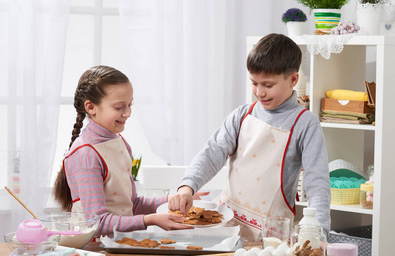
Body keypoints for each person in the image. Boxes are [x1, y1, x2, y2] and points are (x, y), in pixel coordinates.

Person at [172, 34, 331, 242]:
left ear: (293, 79)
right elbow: (212, 153)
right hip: (226, 227)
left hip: (272, 237)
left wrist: (319, 234)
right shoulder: (242, 115)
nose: (259, 92)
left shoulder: (305, 123)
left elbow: (317, 181)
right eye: (254, 83)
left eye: (268, 84)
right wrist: (188, 185)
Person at [53, 65, 200, 237]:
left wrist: (172, 199)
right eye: (119, 107)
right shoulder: (86, 154)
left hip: (118, 244)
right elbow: (97, 222)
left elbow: (132, 204)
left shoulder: (119, 143)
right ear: (91, 107)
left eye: (130, 104)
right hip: (93, 251)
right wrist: (149, 220)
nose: (128, 113)